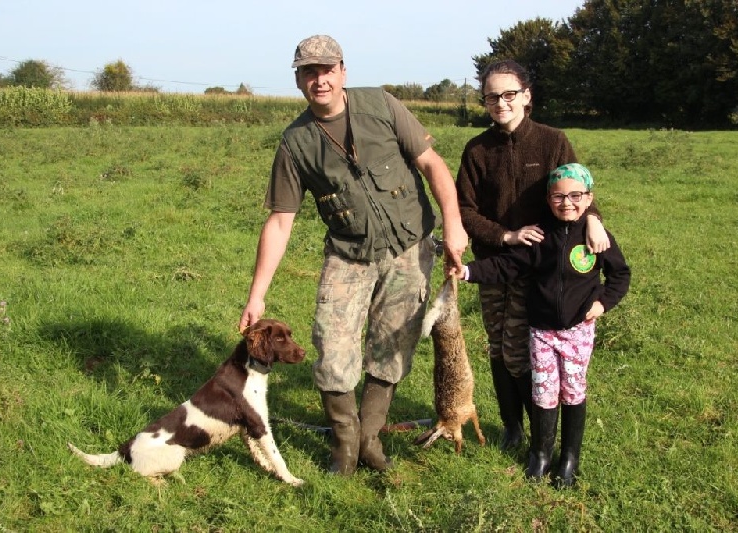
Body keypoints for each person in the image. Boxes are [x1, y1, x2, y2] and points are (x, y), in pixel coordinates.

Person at [238, 35, 468, 475]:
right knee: (331, 348)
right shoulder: (295, 143)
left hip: (410, 248)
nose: (319, 80)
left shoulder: (381, 105)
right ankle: (344, 447)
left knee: (394, 345)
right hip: (348, 255)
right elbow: (280, 221)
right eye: (309, 72)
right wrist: (257, 295)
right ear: (298, 80)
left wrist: (453, 225)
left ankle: (369, 440)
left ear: (343, 71)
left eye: (327, 70)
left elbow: (432, 164)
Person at [455, 59, 610, 451]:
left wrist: (593, 218)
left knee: (519, 351)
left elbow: (575, 187)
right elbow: (464, 211)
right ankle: (512, 427)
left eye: (509, 94)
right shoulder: (477, 150)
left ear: (526, 96)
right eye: (492, 96)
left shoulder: (552, 141)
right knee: (497, 346)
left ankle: (542, 437)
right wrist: (505, 235)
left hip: (539, 267)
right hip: (493, 264)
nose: (500, 103)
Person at [452, 163, 631, 488]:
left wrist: (602, 303)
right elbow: (507, 265)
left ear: (589, 198)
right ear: (548, 199)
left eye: (575, 196)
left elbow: (620, 274)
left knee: (573, 391)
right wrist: (468, 272)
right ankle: (541, 454)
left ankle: (569, 459)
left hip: (578, 331)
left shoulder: (596, 237)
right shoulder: (539, 236)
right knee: (543, 391)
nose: (567, 203)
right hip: (541, 333)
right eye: (558, 196)